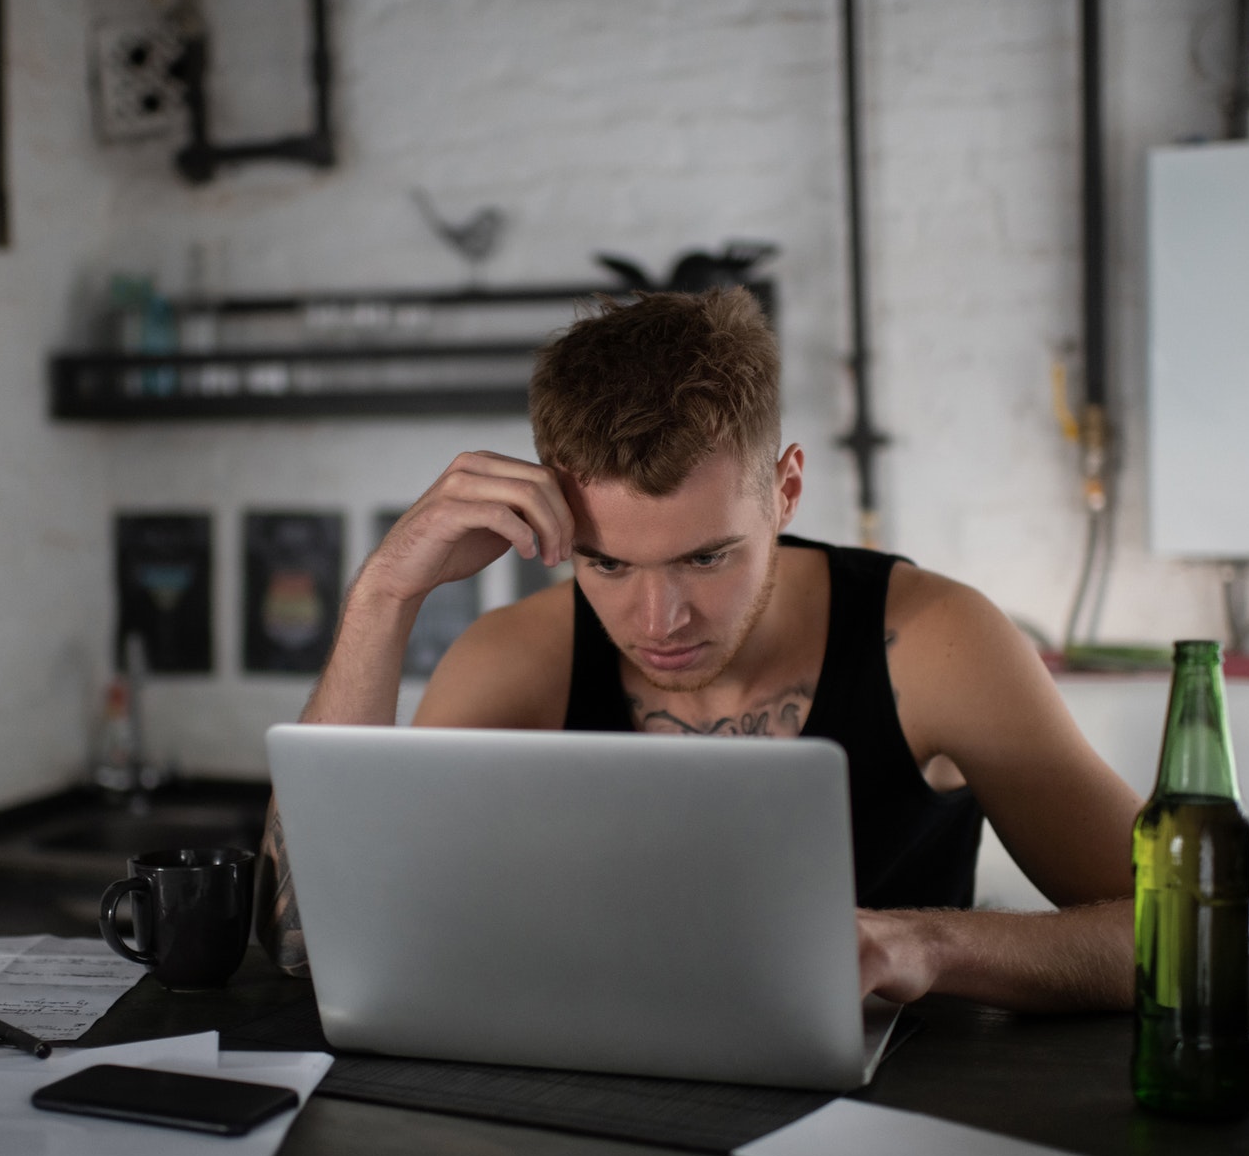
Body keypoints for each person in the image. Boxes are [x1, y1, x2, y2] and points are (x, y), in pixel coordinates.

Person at [260, 287, 1141, 1011]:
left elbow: (1185, 939)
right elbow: (312, 944)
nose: (658, 619)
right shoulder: (513, 661)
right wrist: (382, 597)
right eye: (605, 563)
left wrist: (925, 945)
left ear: (786, 489)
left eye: (705, 556)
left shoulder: (935, 643)